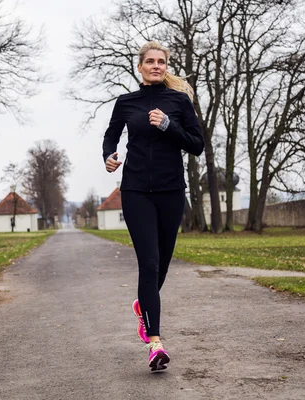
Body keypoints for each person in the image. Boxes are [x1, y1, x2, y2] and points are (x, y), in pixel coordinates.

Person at [102, 41, 204, 371]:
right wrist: (108, 156)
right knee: (149, 262)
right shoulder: (126, 102)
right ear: (140, 66)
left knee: (161, 265)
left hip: (171, 191)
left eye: (161, 61)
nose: (156, 65)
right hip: (135, 192)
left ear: (166, 66)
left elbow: (197, 145)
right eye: (150, 61)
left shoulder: (179, 101)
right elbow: (111, 135)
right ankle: (155, 342)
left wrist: (168, 126)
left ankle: (143, 305)